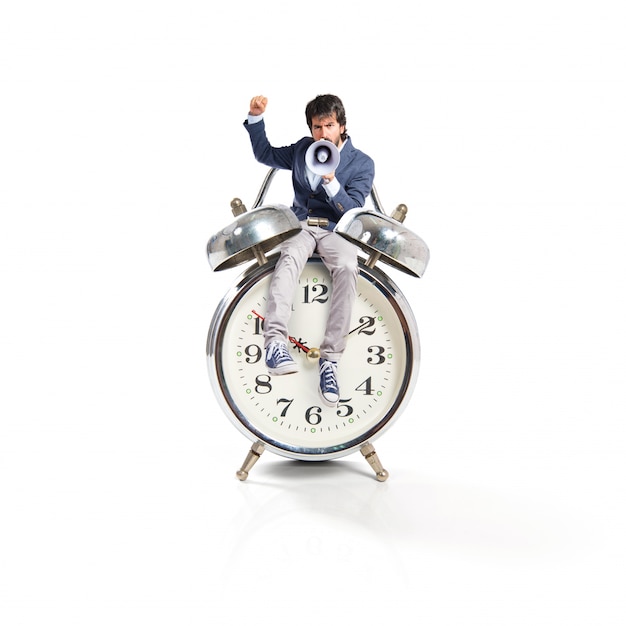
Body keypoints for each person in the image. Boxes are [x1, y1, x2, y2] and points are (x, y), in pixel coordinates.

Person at [244, 94, 375, 407]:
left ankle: (329, 361)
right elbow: (265, 154)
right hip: (302, 224)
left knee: (346, 266)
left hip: (335, 229)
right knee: (287, 258)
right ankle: (275, 343)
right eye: (317, 127)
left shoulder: (361, 163)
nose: (323, 134)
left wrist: (331, 182)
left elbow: (353, 210)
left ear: (341, 126)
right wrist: (255, 117)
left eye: (329, 125)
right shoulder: (303, 149)